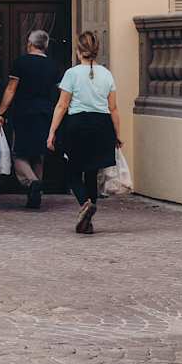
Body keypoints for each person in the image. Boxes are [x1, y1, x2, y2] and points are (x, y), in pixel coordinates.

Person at [46, 32, 121, 235]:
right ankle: (88, 221)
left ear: (78, 51)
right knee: (91, 172)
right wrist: (117, 134)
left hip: (78, 124)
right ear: (96, 51)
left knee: (71, 172)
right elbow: (113, 108)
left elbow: (62, 105)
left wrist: (52, 131)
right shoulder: (107, 74)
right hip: (102, 124)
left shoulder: (72, 73)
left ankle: (85, 204)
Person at [0, 29, 59, 209]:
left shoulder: (21, 63)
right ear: (45, 46)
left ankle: (32, 182)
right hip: (46, 113)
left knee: (19, 154)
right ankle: (34, 195)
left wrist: (1, 112)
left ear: (30, 44)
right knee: (38, 154)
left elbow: (11, 89)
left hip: (24, 113)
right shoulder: (53, 66)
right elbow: (57, 93)